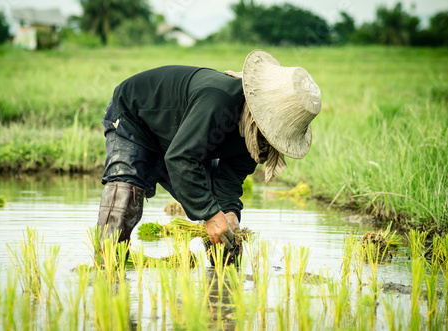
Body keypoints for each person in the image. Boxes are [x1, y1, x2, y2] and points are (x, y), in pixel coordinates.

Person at [96, 49, 321, 263]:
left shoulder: (256, 138)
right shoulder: (218, 100)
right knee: (126, 190)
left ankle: (224, 284)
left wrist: (229, 213)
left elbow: (229, 180)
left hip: (181, 139)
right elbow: (181, 159)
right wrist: (211, 215)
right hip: (133, 117)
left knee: (221, 215)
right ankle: (107, 271)